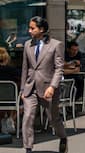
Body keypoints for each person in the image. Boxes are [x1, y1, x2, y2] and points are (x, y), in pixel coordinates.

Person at [21, 16, 67, 153]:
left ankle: (63, 137)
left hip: (48, 88)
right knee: (28, 117)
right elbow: (25, 67)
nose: (29, 31)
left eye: (32, 28)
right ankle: (28, 148)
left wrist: (53, 87)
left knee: (53, 119)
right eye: (29, 27)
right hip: (30, 88)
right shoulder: (27, 44)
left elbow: (59, 68)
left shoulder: (56, 45)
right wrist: (22, 90)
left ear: (41, 29)